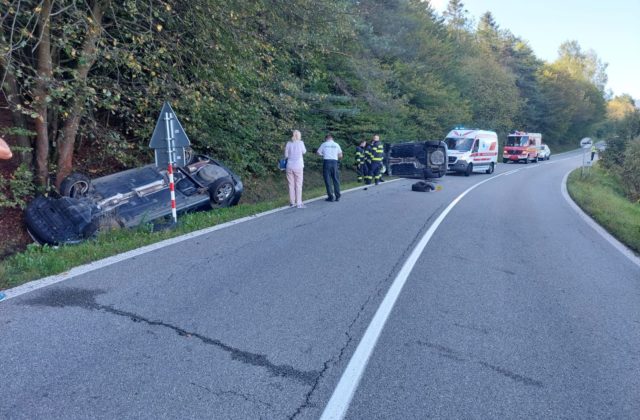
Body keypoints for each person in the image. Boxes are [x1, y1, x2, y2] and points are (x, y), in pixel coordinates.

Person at [317, 133, 343, 202]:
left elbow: (318, 153)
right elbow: (340, 155)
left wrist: (323, 154)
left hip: (327, 162)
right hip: (334, 162)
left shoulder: (324, 144)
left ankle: (331, 197)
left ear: (326, 139)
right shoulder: (336, 144)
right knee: (335, 179)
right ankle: (338, 196)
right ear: (332, 138)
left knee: (327, 180)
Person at [284, 130, 307, 208]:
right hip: (298, 166)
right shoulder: (301, 143)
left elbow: (286, 155)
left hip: (289, 166)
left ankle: (292, 202)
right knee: (298, 184)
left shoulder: (288, 143)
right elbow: (304, 152)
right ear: (299, 135)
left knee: (291, 184)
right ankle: (299, 203)